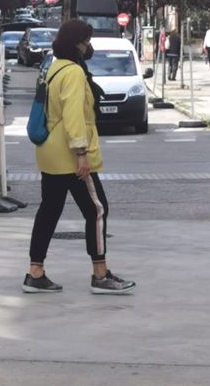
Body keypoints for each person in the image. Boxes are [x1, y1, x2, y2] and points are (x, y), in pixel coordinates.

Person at [24, 19, 136, 295]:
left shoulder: (52, 67)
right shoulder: (73, 72)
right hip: (69, 156)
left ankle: (35, 272)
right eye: (86, 42)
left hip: (50, 151)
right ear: (76, 44)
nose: (89, 47)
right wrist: (81, 153)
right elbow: (74, 116)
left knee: (49, 211)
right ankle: (100, 274)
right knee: (97, 210)